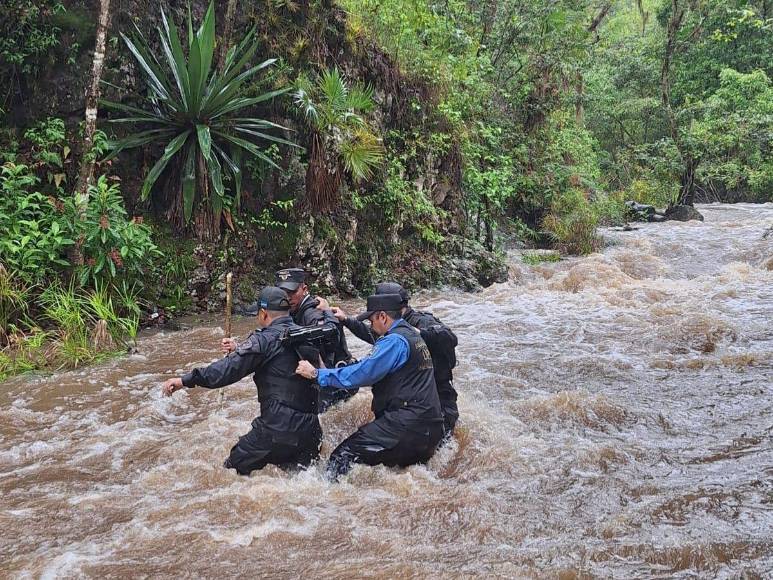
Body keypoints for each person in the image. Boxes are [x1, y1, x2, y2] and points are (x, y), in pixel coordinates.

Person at [162, 287, 322, 476]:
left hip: (276, 429)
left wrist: (184, 380)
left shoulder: (263, 340)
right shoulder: (307, 335)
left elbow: (225, 371)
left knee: (230, 471)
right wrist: (239, 348)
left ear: (263, 313)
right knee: (300, 478)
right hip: (311, 430)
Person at [296, 293, 444, 479]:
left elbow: (363, 373)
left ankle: (327, 496)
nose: (371, 325)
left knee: (342, 456)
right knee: (400, 475)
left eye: (371, 320)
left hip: (406, 426)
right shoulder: (411, 335)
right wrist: (347, 320)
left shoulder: (394, 342)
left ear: (383, 316)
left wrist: (317, 374)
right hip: (430, 429)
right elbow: (371, 351)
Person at [331, 282, 460, 436]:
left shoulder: (420, 321)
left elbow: (450, 337)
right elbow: (372, 334)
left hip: (438, 400)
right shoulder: (391, 326)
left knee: (441, 444)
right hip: (412, 404)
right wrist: (346, 319)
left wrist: (420, 333)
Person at [275, 267, 358, 411]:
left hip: (336, 382)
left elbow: (330, 339)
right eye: (283, 293)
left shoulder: (313, 313)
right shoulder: (291, 311)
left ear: (304, 289)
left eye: (292, 292)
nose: (288, 297)